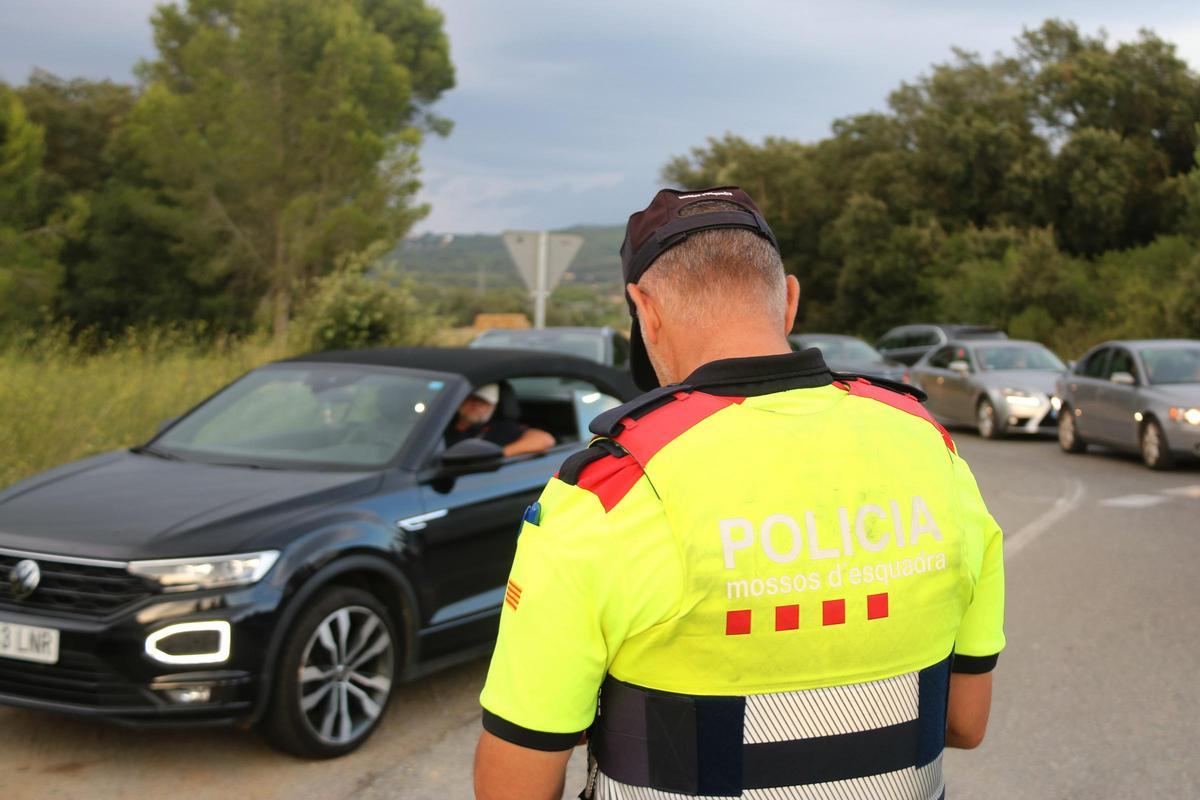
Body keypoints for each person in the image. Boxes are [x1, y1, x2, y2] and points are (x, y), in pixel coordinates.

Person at [474, 187, 1004, 800]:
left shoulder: (612, 488)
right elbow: (964, 724)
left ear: (644, 310)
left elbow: (516, 785)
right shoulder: (931, 449)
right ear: (790, 301)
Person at [446, 383, 555, 457]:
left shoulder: (500, 429)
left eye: (483, 402)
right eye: (471, 399)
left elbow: (544, 439)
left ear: (494, 406)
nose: (475, 405)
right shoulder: (443, 422)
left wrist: (499, 455)